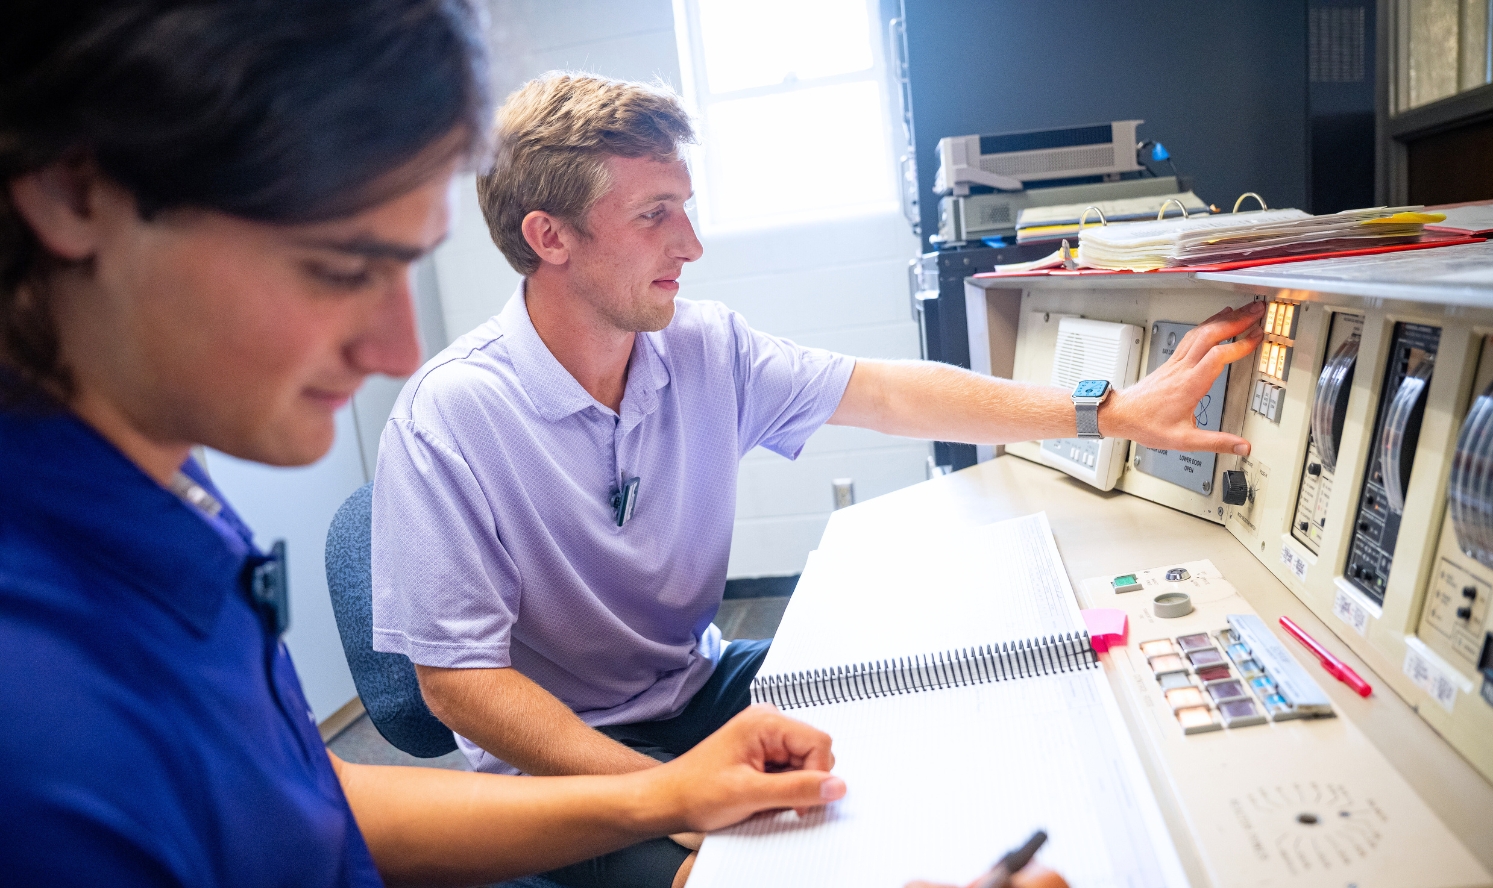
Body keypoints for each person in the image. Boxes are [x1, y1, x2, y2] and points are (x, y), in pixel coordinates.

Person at [0, 3, 878, 885]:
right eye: (340, 269)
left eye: (403, 268)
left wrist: (663, 798)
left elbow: (305, 800)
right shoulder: (38, 704)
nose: (395, 351)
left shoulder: (153, 483)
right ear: (78, 195)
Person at [371, 72, 1265, 887]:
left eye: (685, 206)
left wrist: (1104, 412)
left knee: (923, 711)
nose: (691, 242)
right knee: (751, 877)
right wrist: (670, 793)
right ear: (549, 236)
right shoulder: (449, 418)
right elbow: (461, 685)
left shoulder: (701, 345)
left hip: (696, 686)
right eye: (655, 215)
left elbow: (882, 392)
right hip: (562, 764)